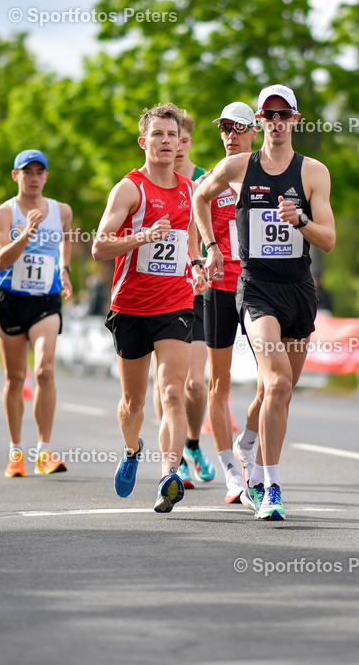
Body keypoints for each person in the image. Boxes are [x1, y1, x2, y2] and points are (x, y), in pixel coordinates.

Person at [195, 84, 337, 521]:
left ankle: (250, 448)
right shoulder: (238, 167)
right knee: (276, 383)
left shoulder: (313, 172)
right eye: (268, 115)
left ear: (294, 119)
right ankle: (270, 486)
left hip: (299, 288)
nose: (276, 122)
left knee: (280, 390)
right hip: (256, 288)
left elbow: (328, 240)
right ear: (260, 120)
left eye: (283, 114)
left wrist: (301, 220)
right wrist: (211, 248)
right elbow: (199, 196)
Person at [92, 104, 207, 513]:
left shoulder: (190, 190)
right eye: (157, 134)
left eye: (172, 135)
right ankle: (131, 449)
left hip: (175, 304)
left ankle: (169, 475)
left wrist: (198, 266)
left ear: (181, 141)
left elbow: (190, 241)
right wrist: (141, 236)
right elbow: (99, 246)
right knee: (133, 404)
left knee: (173, 392)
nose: (165, 141)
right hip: (130, 307)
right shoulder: (129, 189)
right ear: (144, 141)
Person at [0, 149, 73, 478]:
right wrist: (26, 233)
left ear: (46, 176)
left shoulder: (62, 211)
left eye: (39, 172)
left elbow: (65, 241)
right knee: (15, 378)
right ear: (16, 176)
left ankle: (44, 452)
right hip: (12, 299)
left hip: (46, 301)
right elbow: (1, 261)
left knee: (45, 371)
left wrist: (64, 270)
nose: (34, 178)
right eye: (27, 172)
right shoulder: (4, 213)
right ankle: (16, 452)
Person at [201, 101, 266, 505]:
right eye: (224, 128)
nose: (230, 135)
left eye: (239, 128)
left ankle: (249, 442)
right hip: (221, 288)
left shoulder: (268, 175)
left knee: (272, 381)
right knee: (219, 382)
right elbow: (194, 220)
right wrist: (203, 257)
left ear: (254, 131)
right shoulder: (212, 179)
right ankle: (230, 472)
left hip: (258, 288)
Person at [154, 107, 217, 490]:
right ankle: (171, 462)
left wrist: (207, 263)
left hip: (198, 289)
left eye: (180, 139)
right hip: (161, 291)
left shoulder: (206, 180)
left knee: (195, 384)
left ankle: (192, 443)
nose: (174, 146)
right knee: (167, 385)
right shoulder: (151, 181)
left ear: (188, 141)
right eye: (166, 137)